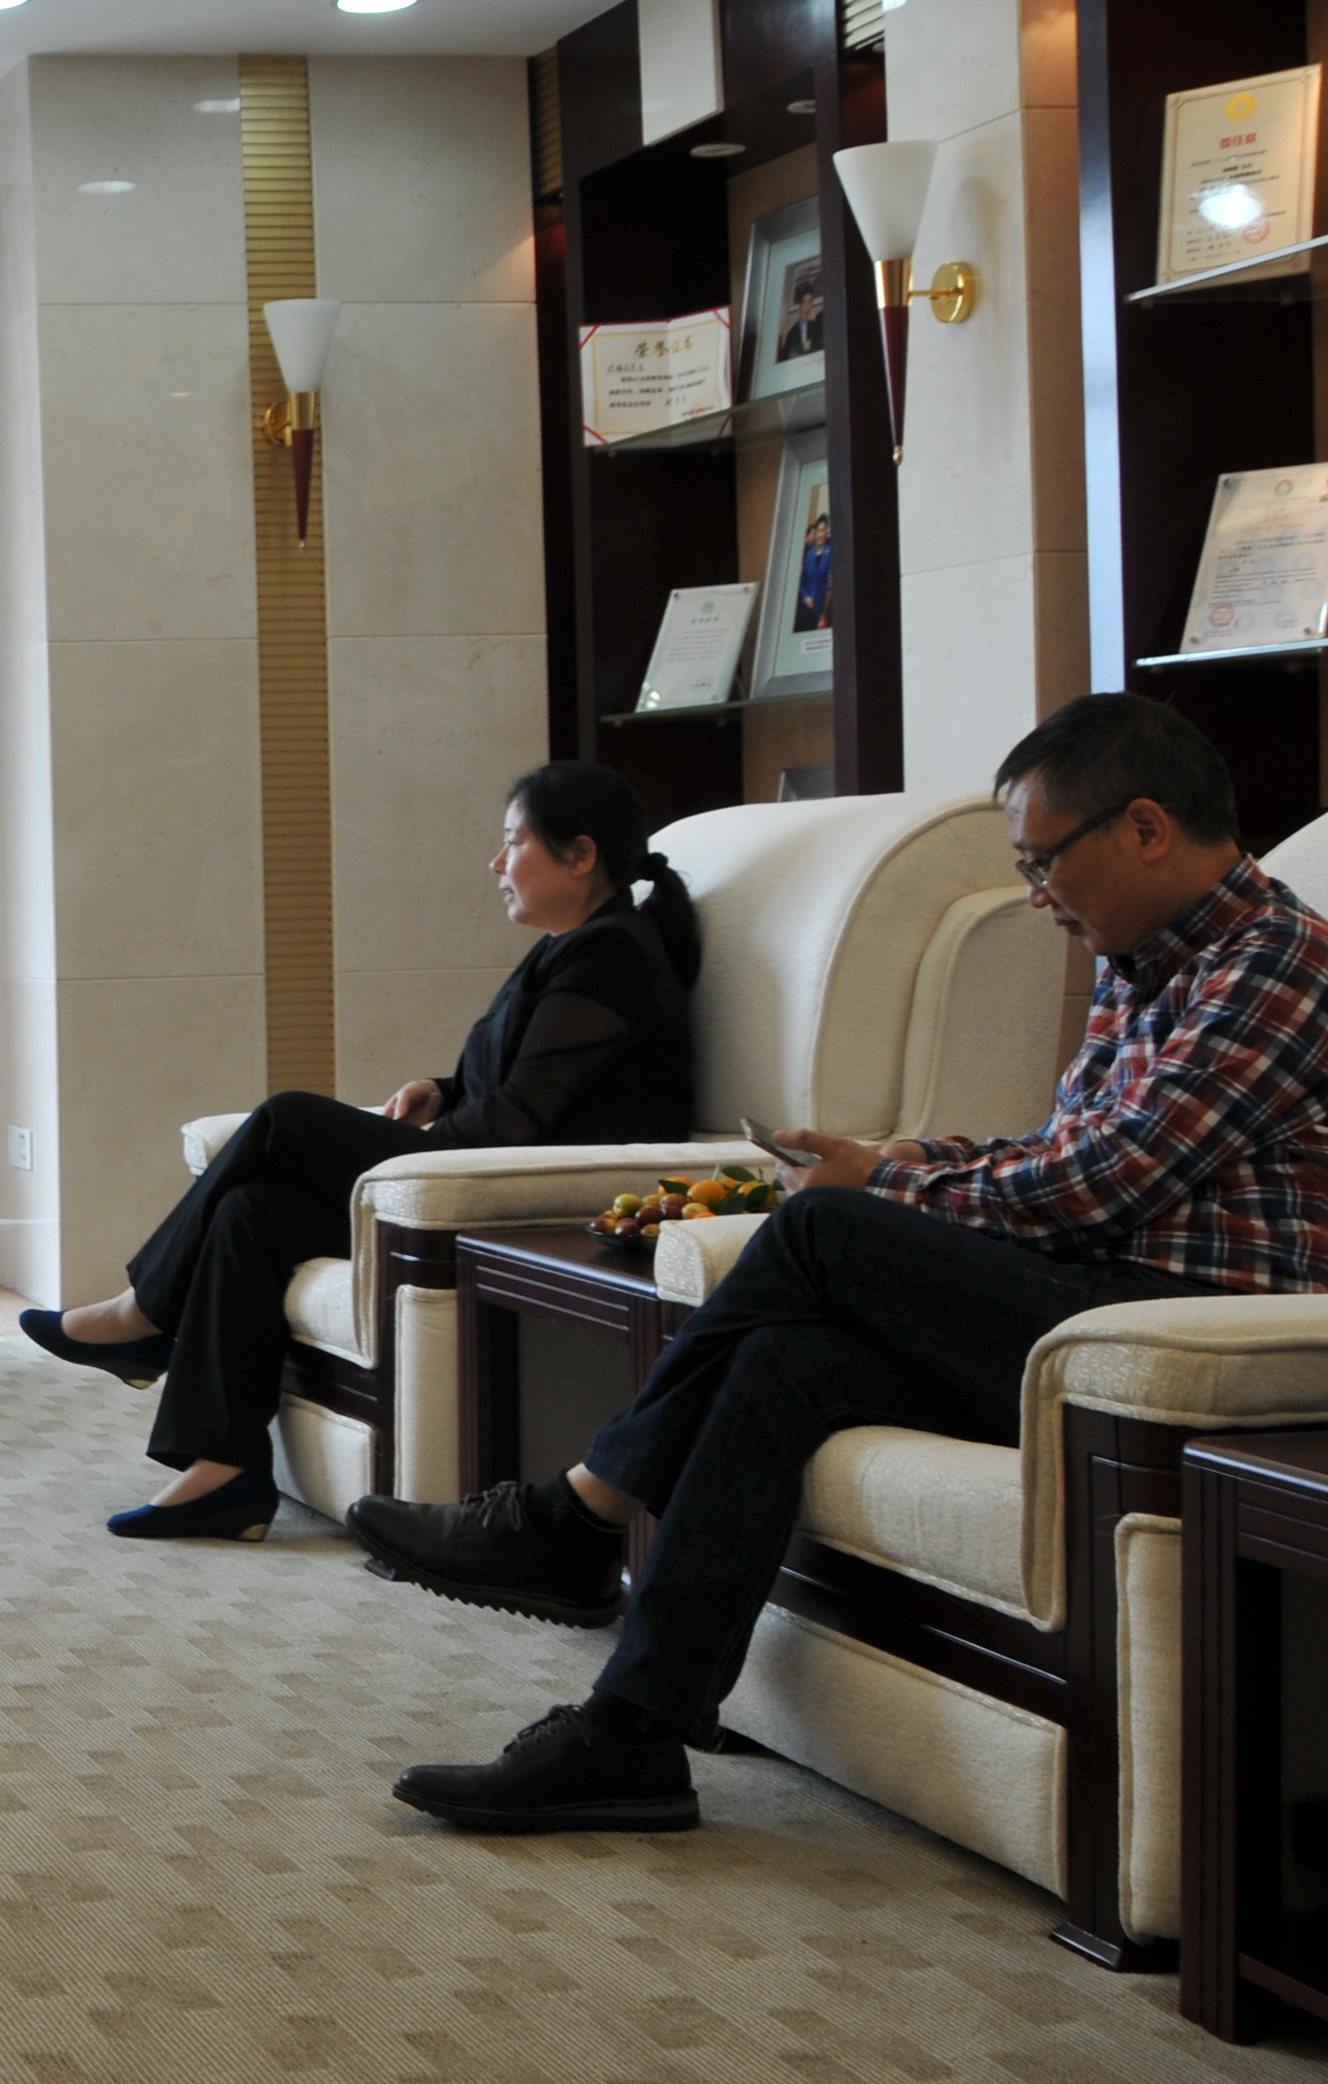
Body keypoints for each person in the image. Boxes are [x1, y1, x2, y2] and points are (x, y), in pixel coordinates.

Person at [358, 694, 1328, 1833]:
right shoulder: (1143, 958)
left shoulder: (1277, 963)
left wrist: (874, 1189)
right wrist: (906, 1157)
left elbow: (1096, 1186)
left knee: (823, 1230)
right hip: (1089, 1309)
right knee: (785, 1359)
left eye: (1042, 861)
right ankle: (633, 1733)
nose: (1034, 894)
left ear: (1146, 828)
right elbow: (1066, 1150)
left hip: (1178, 1325)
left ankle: (576, 1517)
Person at [26, 762, 700, 1540]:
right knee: (251, 1211)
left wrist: (429, 1140)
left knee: (284, 1119)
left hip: (517, 1194)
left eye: (514, 842)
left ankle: (143, 1315)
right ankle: (225, 1473)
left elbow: (521, 1120)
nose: (496, 862)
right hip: (480, 1163)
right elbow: (539, 1078)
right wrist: (443, 1089)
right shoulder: (579, 945)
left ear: (581, 855)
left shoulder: (611, 955)